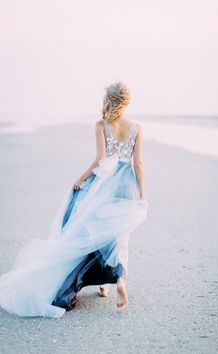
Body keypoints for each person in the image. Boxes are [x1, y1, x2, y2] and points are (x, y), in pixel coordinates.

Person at [0, 81, 148, 318]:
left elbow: (101, 160)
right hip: (127, 184)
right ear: (127, 101)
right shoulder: (137, 127)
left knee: (94, 233)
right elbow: (138, 163)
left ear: (108, 99)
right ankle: (117, 280)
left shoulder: (102, 125)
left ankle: (102, 284)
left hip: (105, 184)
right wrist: (141, 192)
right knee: (119, 236)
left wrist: (79, 180)